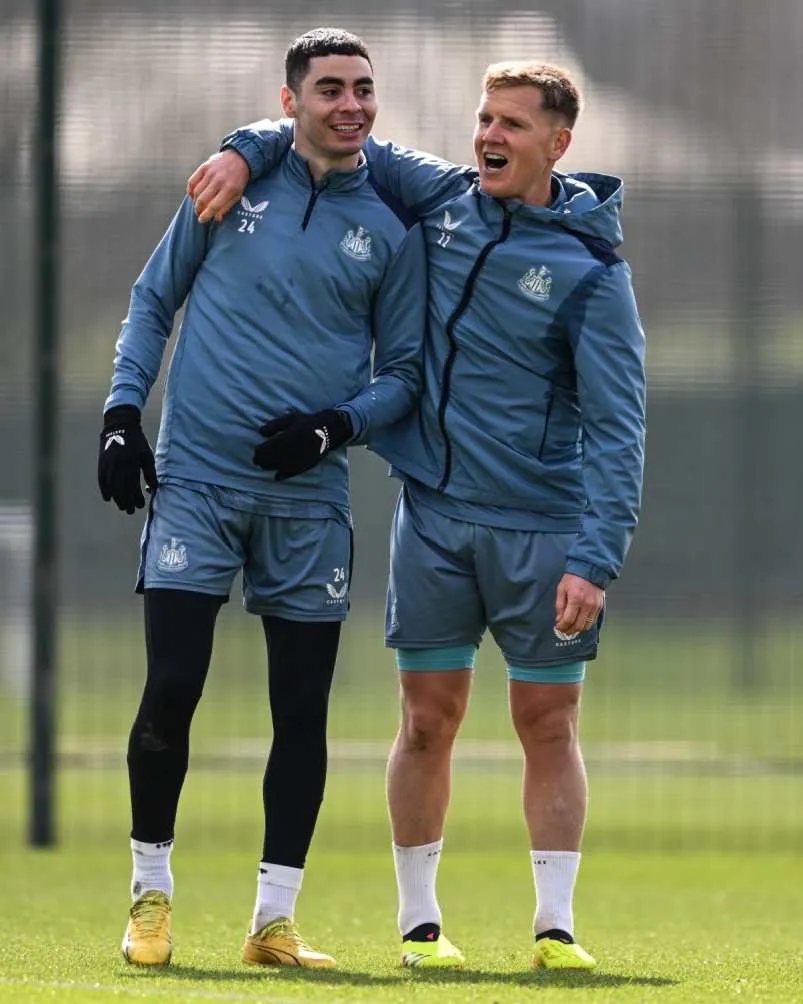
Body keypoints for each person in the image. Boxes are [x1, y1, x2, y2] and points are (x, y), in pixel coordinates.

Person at [189, 61, 646, 972]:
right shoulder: (437, 199)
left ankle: (554, 929)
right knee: (426, 720)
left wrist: (593, 560)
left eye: (514, 125)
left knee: (546, 721)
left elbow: (619, 425)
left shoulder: (590, 271)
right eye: (485, 117)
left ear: (558, 145)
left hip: (542, 527)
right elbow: (324, 130)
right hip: (433, 518)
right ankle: (419, 927)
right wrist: (242, 150)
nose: (491, 136)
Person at [98, 27, 426, 971]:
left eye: (364, 88)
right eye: (330, 89)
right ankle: (149, 901)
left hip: (308, 500)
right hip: (195, 485)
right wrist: (123, 413)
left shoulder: (393, 227)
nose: (351, 105)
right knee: (172, 689)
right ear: (290, 103)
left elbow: (402, 373)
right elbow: (153, 299)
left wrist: (334, 428)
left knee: (302, 714)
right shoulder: (227, 186)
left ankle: (272, 923)